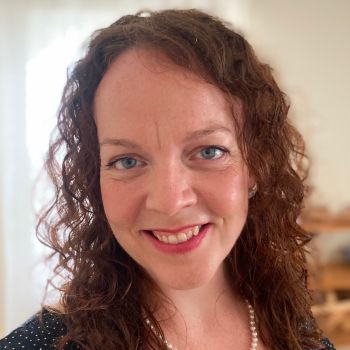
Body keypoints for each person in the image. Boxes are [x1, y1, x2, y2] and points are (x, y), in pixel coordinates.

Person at [0, 9, 336, 350]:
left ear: (257, 165)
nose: (169, 201)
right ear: (94, 179)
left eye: (208, 151)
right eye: (127, 160)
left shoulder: (300, 334)